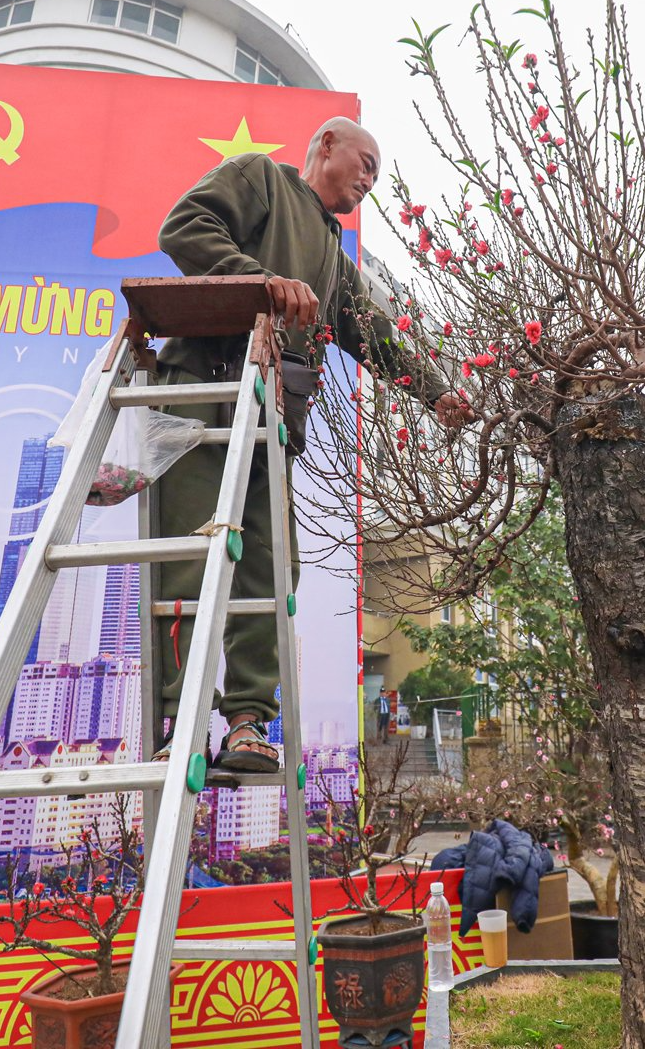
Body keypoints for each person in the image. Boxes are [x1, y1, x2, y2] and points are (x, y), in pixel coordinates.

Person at [153, 117, 473, 771]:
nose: (369, 180)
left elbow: (374, 333)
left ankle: (246, 723)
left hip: (273, 426)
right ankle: (176, 719)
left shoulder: (333, 256)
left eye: (378, 175)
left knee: (270, 572)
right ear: (325, 146)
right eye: (365, 162)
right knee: (189, 564)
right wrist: (260, 283)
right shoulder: (259, 178)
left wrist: (435, 392)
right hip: (201, 399)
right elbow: (183, 229)